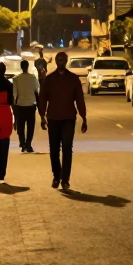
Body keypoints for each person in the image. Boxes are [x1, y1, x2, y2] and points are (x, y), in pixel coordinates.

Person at [38, 50, 87, 190]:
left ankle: (65, 180)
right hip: (53, 119)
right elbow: (42, 98)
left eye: (63, 60)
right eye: (59, 60)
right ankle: (56, 176)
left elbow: (80, 99)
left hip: (68, 119)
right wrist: (42, 116)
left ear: (66, 62)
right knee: (54, 150)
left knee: (67, 149)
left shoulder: (73, 79)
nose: (61, 62)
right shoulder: (49, 79)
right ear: (56, 62)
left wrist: (84, 117)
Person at [13, 59, 40, 152]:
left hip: (20, 105)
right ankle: (28, 144)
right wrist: (38, 104)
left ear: (21, 67)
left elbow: (14, 94)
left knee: (20, 126)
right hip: (31, 105)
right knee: (30, 127)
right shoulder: (33, 78)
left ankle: (22, 143)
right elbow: (37, 91)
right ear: (27, 66)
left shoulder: (16, 79)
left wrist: (14, 106)